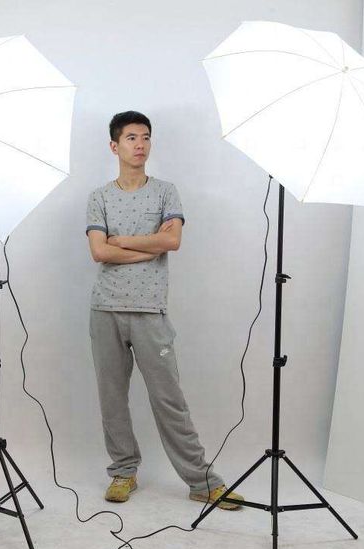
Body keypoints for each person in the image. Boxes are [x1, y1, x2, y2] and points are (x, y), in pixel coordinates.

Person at [85, 110, 243, 510]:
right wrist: (148, 244)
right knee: (112, 397)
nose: (140, 144)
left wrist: (122, 241)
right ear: (114, 146)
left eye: (146, 137)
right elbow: (99, 251)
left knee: (169, 398)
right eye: (131, 138)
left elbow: (172, 242)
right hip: (105, 309)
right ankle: (124, 471)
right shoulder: (99, 197)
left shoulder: (165, 193)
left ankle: (202, 482)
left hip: (150, 310)